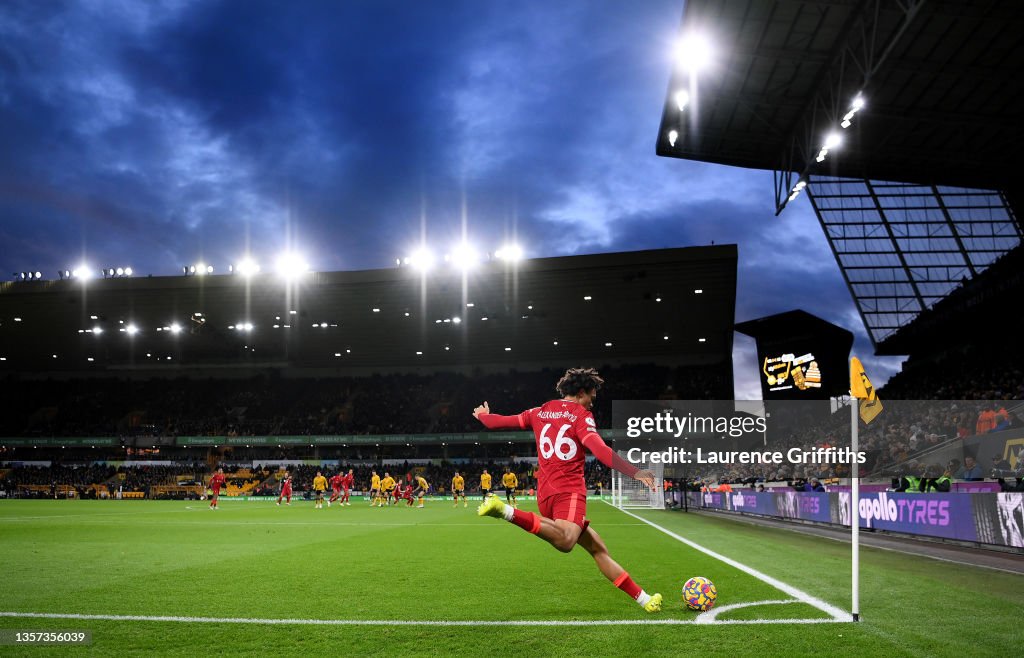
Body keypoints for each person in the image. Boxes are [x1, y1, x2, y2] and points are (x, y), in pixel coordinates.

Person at [474, 367, 663, 613]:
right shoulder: (580, 415)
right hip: (569, 492)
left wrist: (483, 416)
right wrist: (635, 472)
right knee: (566, 541)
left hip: (546, 494)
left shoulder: (539, 411)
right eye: (591, 398)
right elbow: (600, 449)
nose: (592, 404)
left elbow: (498, 422)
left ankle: (645, 599)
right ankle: (505, 511)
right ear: (581, 392)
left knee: (597, 549)